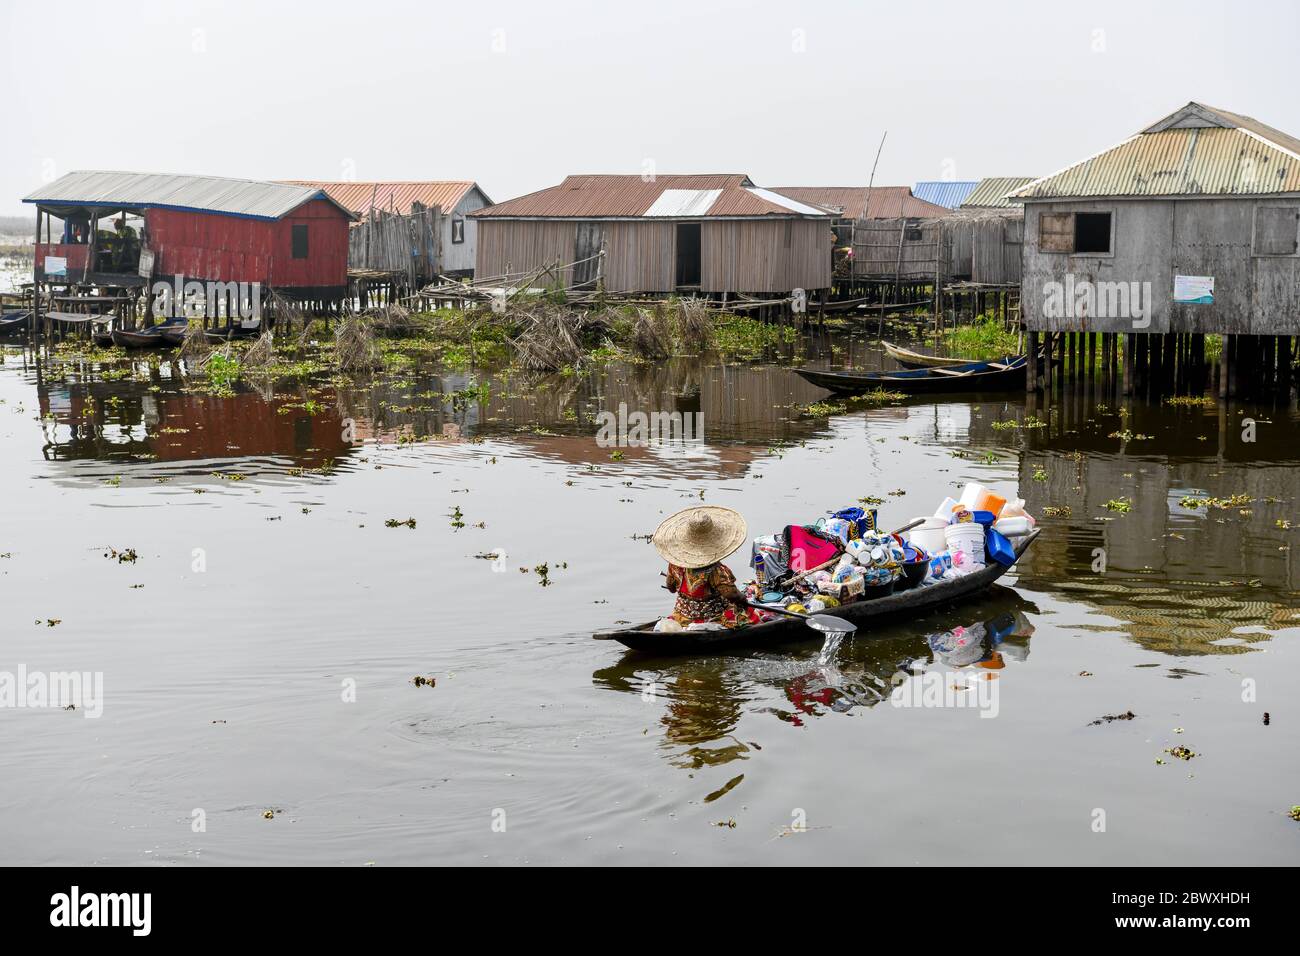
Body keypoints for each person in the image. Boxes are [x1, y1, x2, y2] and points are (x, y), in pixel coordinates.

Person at [652, 506, 769, 629]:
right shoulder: (716, 570)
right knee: (749, 611)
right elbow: (732, 595)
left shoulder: (674, 564)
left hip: (682, 616)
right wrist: (743, 600)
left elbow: (671, 588)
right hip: (713, 617)